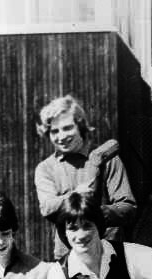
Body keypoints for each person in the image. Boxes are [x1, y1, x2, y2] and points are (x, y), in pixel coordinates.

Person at [34, 95, 137, 260]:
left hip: (108, 251)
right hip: (67, 255)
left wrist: (97, 214)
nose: (61, 136)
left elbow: (129, 208)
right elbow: (47, 207)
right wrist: (76, 195)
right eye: (54, 131)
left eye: (67, 128)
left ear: (80, 126)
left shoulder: (107, 160)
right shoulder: (46, 168)